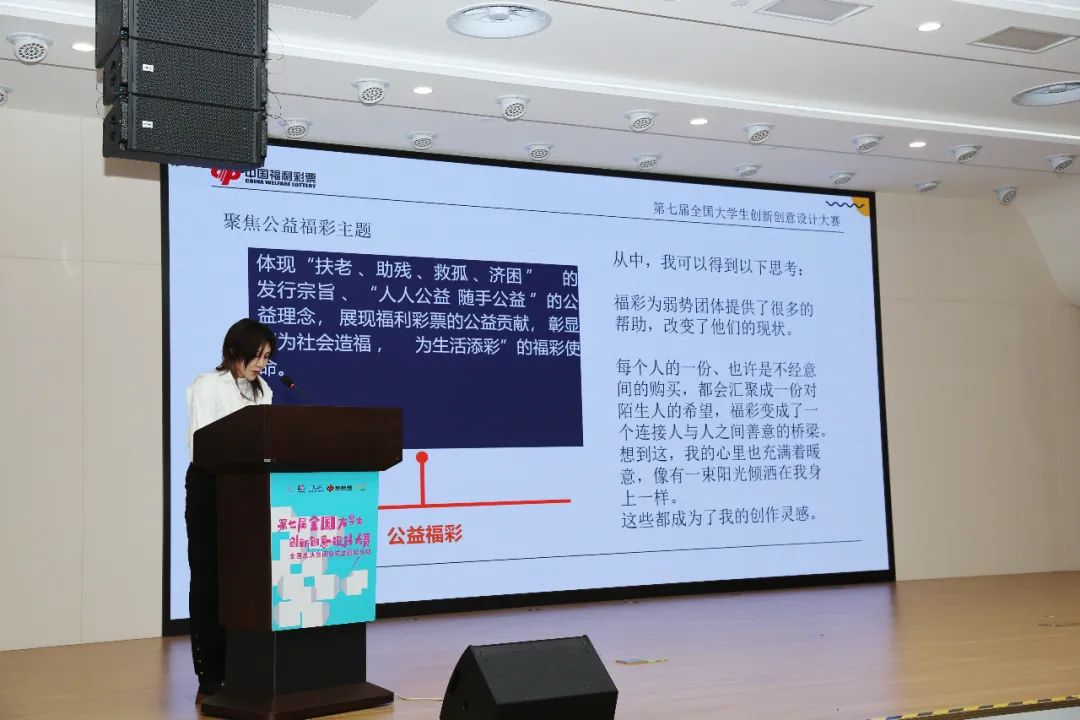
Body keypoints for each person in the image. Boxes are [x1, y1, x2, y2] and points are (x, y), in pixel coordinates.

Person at [185, 318, 275, 703]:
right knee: (210, 579)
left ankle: (245, 666)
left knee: (246, 579)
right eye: (257, 356)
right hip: (211, 487)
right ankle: (211, 672)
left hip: (249, 490)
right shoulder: (207, 385)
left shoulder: (264, 390)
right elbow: (203, 444)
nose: (262, 364)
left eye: (267, 357)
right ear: (235, 351)